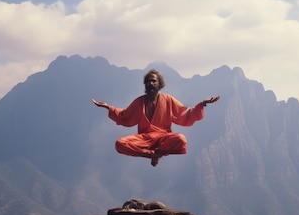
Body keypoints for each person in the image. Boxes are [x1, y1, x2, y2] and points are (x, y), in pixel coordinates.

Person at [92, 69, 220, 167]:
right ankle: (152, 155)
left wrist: (202, 103)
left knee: (181, 139)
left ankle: (159, 152)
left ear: (159, 84)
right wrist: (108, 107)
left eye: (153, 81)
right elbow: (125, 116)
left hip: (163, 139)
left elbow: (185, 114)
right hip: (144, 139)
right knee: (120, 144)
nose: (150, 83)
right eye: (148, 81)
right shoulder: (140, 102)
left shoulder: (168, 100)